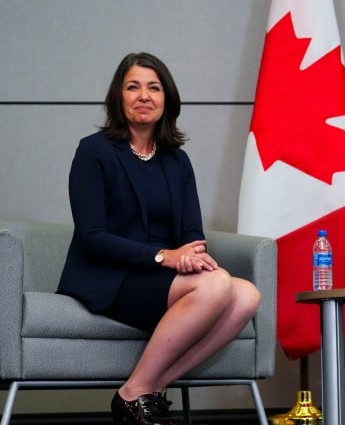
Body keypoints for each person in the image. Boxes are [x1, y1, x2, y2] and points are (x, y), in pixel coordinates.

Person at [57, 52, 262, 425]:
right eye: (132, 86)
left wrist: (189, 256)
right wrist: (164, 257)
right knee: (217, 285)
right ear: (118, 97)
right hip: (109, 275)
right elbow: (92, 236)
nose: (143, 95)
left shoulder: (176, 160)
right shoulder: (94, 151)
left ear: (167, 98)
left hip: (160, 276)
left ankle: (144, 390)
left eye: (153, 87)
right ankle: (136, 395)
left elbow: (191, 232)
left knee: (248, 294)